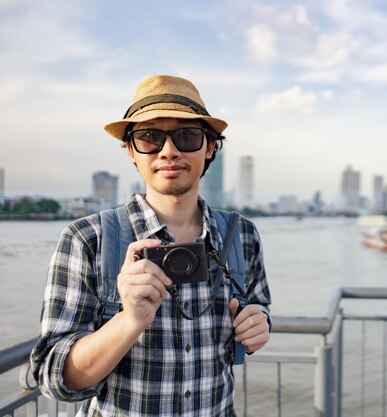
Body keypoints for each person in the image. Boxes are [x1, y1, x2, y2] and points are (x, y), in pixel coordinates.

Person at [30, 75, 272, 416]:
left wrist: (258, 322)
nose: (169, 151)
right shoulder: (88, 239)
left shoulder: (241, 234)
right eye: (150, 137)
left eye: (187, 136)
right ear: (131, 150)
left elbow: (259, 307)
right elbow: (54, 378)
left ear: (210, 147)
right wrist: (129, 320)